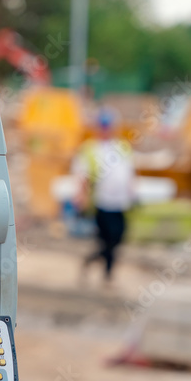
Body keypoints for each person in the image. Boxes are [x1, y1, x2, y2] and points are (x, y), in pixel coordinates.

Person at [72, 108, 136, 282]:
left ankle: (94, 262)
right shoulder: (89, 149)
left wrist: (133, 194)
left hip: (121, 202)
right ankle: (108, 274)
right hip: (101, 202)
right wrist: (80, 197)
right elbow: (82, 176)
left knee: (118, 238)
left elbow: (129, 173)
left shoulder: (122, 146)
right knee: (107, 239)